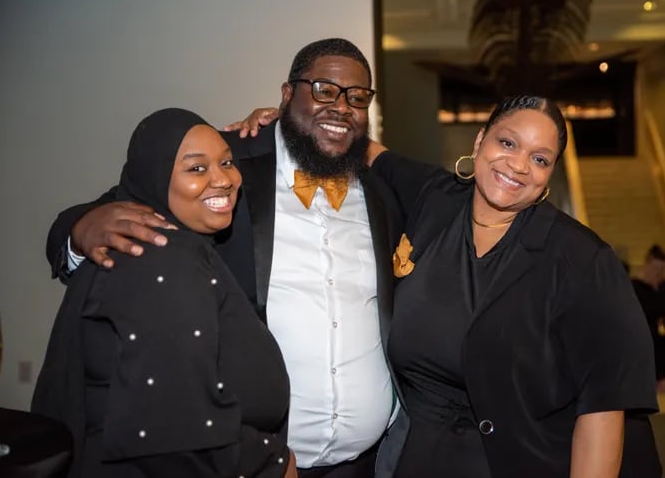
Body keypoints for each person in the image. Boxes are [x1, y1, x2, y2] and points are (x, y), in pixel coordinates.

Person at [235, 96, 661, 477]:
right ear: (479, 143)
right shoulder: (433, 198)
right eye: (508, 143)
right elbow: (363, 148)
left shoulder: (582, 260)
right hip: (417, 458)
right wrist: (288, 123)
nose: (517, 165)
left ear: (550, 176)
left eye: (540, 159)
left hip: (526, 459)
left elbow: (603, 406)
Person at [44, 39, 403, 478]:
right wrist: (79, 233)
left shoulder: (383, 196)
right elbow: (126, 201)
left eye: (357, 97)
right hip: (250, 460)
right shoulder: (230, 167)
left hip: (364, 463)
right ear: (287, 95)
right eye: (324, 90)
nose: (341, 106)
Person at [33, 108, 295, 477]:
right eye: (197, 168)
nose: (222, 179)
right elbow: (171, 422)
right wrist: (272, 463)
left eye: (226, 162)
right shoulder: (157, 253)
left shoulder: (376, 182)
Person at [632, 244, 665, 393]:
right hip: (644, 351)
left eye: (662, 270)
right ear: (646, 266)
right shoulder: (635, 288)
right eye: (656, 269)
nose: (659, 274)